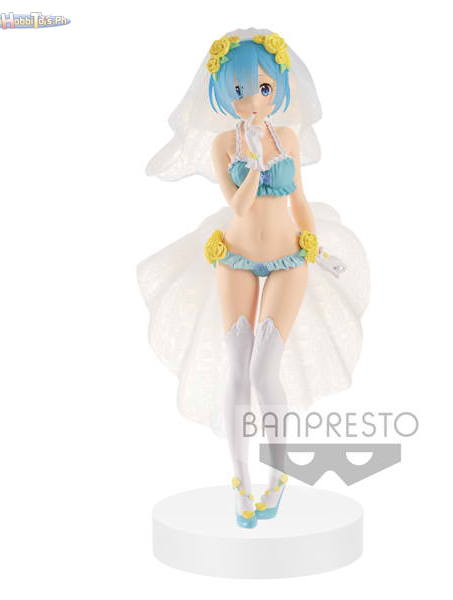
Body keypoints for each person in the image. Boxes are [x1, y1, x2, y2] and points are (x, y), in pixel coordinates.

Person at [137, 28, 370, 528]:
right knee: (238, 369)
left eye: (263, 88)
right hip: (236, 258)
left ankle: (277, 475)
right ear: (225, 94)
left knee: (266, 368)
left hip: (288, 258)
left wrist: (317, 249)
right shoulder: (225, 143)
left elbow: (299, 201)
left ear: (278, 86)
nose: (252, 101)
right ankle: (241, 480)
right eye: (240, 91)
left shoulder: (288, 138)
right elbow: (237, 204)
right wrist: (254, 165)